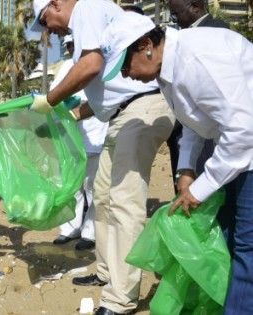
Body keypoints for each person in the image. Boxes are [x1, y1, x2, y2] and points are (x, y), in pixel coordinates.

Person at [100, 12, 253, 314]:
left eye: (125, 66)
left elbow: (243, 131)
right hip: (236, 150)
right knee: (228, 238)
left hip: (245, 147)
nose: (127, 75)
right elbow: (196, 122)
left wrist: (200, 189)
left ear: (145, 44)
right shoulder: (168, 70)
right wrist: (186, 169)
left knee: (247, 246)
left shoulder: (195, 60)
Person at [30, 1, 175, 314]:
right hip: (121, 114)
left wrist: (50, 101)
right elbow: (105, 94)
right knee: (103, 199)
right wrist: (69, 116)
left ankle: (121, 299)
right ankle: (108, 274)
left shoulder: (89, 8)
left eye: (45, 20)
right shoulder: (89, 20)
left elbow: (92, 65)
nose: (49, 31)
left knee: (125, 203)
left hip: (142, 108)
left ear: (55, 4)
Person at [50, 35, 108, 251]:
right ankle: (70, 228)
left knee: (93, 187)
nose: (72, 49)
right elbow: (55, 93)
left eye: (76, 45)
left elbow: (101, 100)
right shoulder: (67, 65)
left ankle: (90, 232)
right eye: (69, 46)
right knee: (73, 184)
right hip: (71, 134)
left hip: (95, 132)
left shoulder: (99, 62)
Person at [165, 0, 229, 186]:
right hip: (190, 126)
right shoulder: (185, 34)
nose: (174, 20)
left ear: (195, 7)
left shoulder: (216, 31)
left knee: (205, 181)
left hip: (212, 127)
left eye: (176, 14)